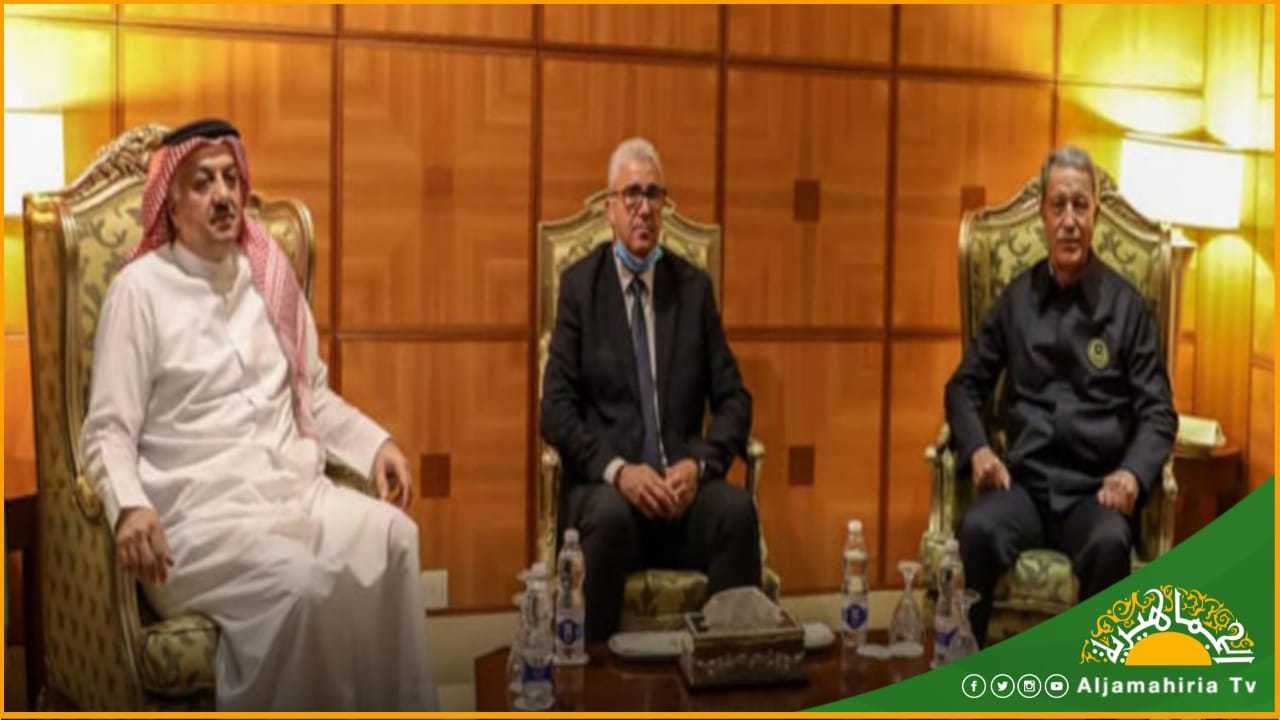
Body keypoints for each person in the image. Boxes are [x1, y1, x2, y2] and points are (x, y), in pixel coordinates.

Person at [80, 119, 437, 710]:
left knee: (396, 538)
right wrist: (129, 507)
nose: (223, 195)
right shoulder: (138, 292)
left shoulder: (268, 277)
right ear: (171, 204)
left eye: (230, 179)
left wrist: (377, 445)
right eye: (202, 183)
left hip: (295, 496)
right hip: (201, 523)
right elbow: (108, 429)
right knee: (301, 585)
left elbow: (311, 396)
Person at [944, 146, 1177, 645]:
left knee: (1111, 544)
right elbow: (963, 386)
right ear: (1042, 216)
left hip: (1094, 493)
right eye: (1058, 206)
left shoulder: (1126, 307)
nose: (1069, 220)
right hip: (1024, 487)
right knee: (977, 531)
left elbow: (1158, 412)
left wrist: (1132, 474)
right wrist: (979, 450)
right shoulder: (1016, 300)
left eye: (1080, 205)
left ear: (1096, 213)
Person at [540, 137, 760, 642]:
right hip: (610, 497)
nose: (643, 208)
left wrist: (698, 466)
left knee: (735, 513)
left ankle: (728, 667)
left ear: (664, 205)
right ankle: (589, 675)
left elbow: (734, 399)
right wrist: (619, 472)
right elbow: (555, 410)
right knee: (610, 518)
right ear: (610, 209)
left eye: (653, 194)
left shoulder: (692, 289)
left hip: (680, 498)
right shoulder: (580, 287)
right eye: (632, 194)